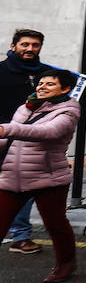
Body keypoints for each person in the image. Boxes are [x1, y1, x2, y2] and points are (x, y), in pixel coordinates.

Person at [0, 67, 81, 283]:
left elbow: (47, 133)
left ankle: (66, 264)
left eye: (49, 84)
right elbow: (10, 139)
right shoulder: (25, 108)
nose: (42, 87)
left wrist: (5, 129)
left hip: (48, 177)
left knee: (55, 224)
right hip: (12, 175)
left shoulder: (69, 111)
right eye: (41, 83)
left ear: (65, 89)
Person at [1, 28, 46, 254]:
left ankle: (20, 236)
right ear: (13, 46)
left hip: (33, 141)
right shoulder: (0, 71)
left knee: (24, 189)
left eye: (35, 45)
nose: (30, 49)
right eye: (25, 44)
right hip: (2, 137)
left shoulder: (46, 74)